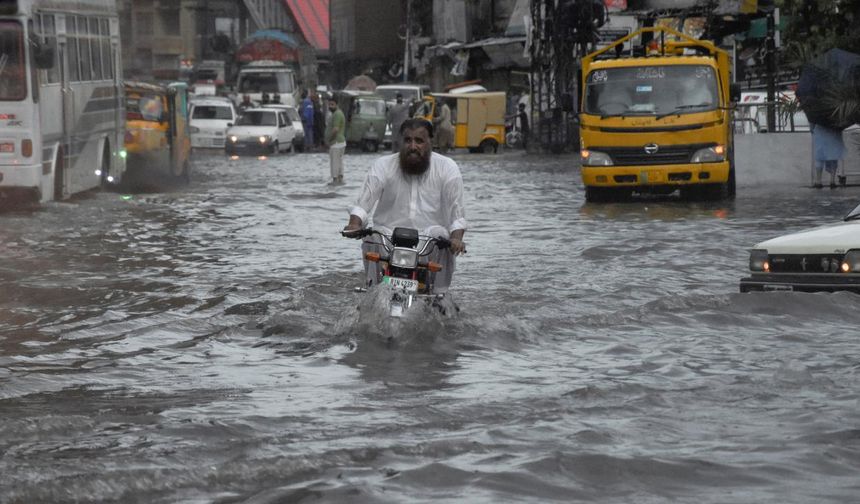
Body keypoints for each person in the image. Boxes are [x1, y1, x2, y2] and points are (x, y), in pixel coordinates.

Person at [342, 118, 467, 293]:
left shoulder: (448, 168)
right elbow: (363, 203)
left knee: (442, 236)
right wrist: (354, 225)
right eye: (408, 140)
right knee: (372, 235)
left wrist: (456, 239)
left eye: (419, 141)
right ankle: (373, 292)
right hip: (389, 239)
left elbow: (457, 215)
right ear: (400, 142)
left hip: (428, 243)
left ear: (431, 142)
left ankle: (439, 295)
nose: (413, 146)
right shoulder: (383, 165)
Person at [811, 123, 845, 188]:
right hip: (834, 129)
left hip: (820, 130)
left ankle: (819, 181)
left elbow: (811, 119)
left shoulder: (817, 114)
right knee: (834, 156)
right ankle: (832, 181)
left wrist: (812, 128)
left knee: (820, 157)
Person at [325, 97, 346, 184]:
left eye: (332, 104)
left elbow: (335, 129)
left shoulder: (337, 114)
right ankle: (340, 179)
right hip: (340, 142)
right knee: (339, 162)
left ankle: (335, 180)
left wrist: (329, 139)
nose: (330, 106)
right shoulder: (338, 113)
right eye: (329, 104)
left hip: (336, 142)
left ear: (337, 105)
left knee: (334, 163)